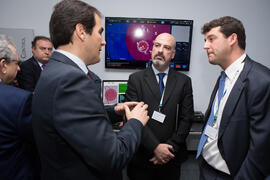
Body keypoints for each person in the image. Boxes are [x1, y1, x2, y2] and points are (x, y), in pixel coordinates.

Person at [32, 0, 149, 180]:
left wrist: (114, 113)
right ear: (81, 32)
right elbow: (113, 157)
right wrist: (136, 122)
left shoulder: (56, 69)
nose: (103, 42)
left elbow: (74, 121)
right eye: (100, 32)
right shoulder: (71, 80)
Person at [197, 16, 270, 180]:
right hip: (207, 169)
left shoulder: (262, 80)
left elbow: (262, 150)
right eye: (205, 40)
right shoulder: (224, 77)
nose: (205, 46)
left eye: (211, 39)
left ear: (232, 39)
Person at [125, 32, 194, 180]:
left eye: (167, 47)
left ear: (173, 54)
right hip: (142, 157)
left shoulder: (184, 81)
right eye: (157, 45)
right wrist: (155, 147)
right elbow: (132, 118)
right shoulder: (135, 79)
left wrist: (169, 149)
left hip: (171, 158)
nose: (160, 50)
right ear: (152, 49)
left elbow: (186, 118)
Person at [0, 34, 40, 180]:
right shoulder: (18, 100)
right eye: (16, 63)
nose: (18, 68)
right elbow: (37, 140)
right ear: (3, 65)